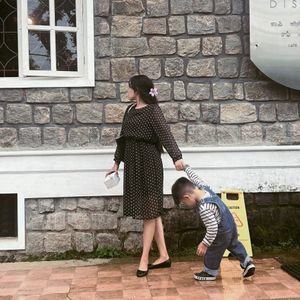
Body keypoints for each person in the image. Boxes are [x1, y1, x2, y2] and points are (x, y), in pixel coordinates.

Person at [107, 75, 185, 277]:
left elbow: (166, 134)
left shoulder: (153, 111)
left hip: (149, 163)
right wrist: (116, 163)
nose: (127, 91)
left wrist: (177, 157)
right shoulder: (130, 110)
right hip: (132, 163)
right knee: (152, 210)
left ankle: (144, 260)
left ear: (138, 90)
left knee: (149, 210)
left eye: (129, 87)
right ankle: (164, 256)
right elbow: (123, 139)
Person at [171, 164, 255, 281]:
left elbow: (212, 228)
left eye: (184, 203)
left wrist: (205, 243)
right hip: (230, 223)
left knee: (213, 249)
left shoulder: (204, 208)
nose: (186, 206)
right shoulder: (204, 188)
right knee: (233, 243)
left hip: (221, 231)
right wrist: (186, 168)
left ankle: (210, 272)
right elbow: (196, 178)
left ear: (187, 197)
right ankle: (247, 262)